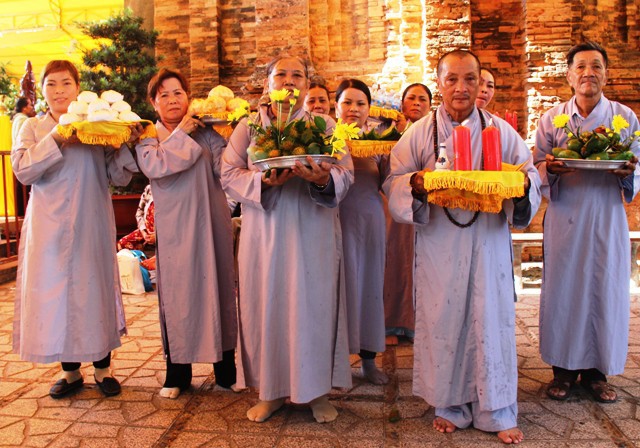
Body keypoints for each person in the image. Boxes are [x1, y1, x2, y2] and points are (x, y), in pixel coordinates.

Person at [384, 49, 541, 444]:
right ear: (439, 83)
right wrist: (415, 185)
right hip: (440, 245)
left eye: (469, 79)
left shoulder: (501, 132)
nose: (461, 87)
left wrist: (522, 189)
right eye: (452, 79)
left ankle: (497, 408)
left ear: (480, 83)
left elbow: (528, 175)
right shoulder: (420, 132)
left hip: (488, 243)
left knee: (492, 321)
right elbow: (394, 181)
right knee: (445, 320)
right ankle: (450, 403)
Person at [221, 55, 354, 423]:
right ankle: (271, 391)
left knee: (314, 306)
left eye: (298, 75)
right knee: (267, 304)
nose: (289, 81)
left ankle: (317, 392)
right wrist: (261, 181)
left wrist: (322, 180)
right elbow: (228, 173)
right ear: (269, 84)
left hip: (313, 233)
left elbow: (346, 172)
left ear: (308, 85)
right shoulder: (248, 127)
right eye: (282, 75)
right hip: (264, 234)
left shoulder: (325, 125)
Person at [11, 60, 140, 398]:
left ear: (78, 87)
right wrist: (57, 137)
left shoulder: (94, 126)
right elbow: (23, 170)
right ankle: (69, 373)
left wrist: (119, 144)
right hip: (48, 228)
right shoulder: (32, 128)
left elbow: (121, 176)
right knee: (57, 296)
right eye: (51, 84)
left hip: (90, 221)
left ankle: (102, 368)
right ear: (42, 91)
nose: (59, 91)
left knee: (93, 289)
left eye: (66, 83)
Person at [533, 42, 640, 404]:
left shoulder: (624, 119)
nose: (588, 73)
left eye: (596, 66)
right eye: (580, 67)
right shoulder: (551, 120)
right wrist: (550, 168)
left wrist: (628, 171)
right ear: (568, 75)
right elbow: (537, 169)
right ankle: (562, 370)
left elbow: (635, 167)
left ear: (606, 74)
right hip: (565, 215)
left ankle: (597, 372)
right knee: (565, 289)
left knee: (604, 287)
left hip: (607, 215)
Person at [135, 68, 238, 399]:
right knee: (177, 299)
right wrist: (182, 132)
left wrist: (231, 135)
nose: (172, 99)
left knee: (220, 293)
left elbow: (226, 169)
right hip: (175, 229)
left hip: (211, 223)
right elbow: (156, 166)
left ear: (188, 97)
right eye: (163, 94)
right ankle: (177, 374)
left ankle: (225, 371)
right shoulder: (148, 136)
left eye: (178, 92)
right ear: (154, 102)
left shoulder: (205, 132)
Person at [335, 78, 388, 385]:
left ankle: (369, 360)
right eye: (347, 103)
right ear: (336, 106)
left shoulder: (380, 139)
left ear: (369, 108)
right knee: (338, 289)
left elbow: (391, 179)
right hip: (334, 220)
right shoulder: (326, 136)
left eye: (360, 103)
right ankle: (338, 361)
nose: (353, 109)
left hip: (369, 222)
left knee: (369, 286)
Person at [384, 83, 432, 341]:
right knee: (397, 263)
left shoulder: (434, 135)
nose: (416, 103)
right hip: (396, 207)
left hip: (428, 211)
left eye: (422, 99)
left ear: (430, 105)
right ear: (401, 104)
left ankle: (419, 322)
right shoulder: (388, 133)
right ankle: (393, 320)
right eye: (411, 98)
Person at [117, 184, 155, 251]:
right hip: (146, 232)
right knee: (121, 244)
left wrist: (157, 236)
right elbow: (139, 213)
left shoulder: (171, 190)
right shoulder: (149, 189)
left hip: (164, 234)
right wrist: (143, 232)